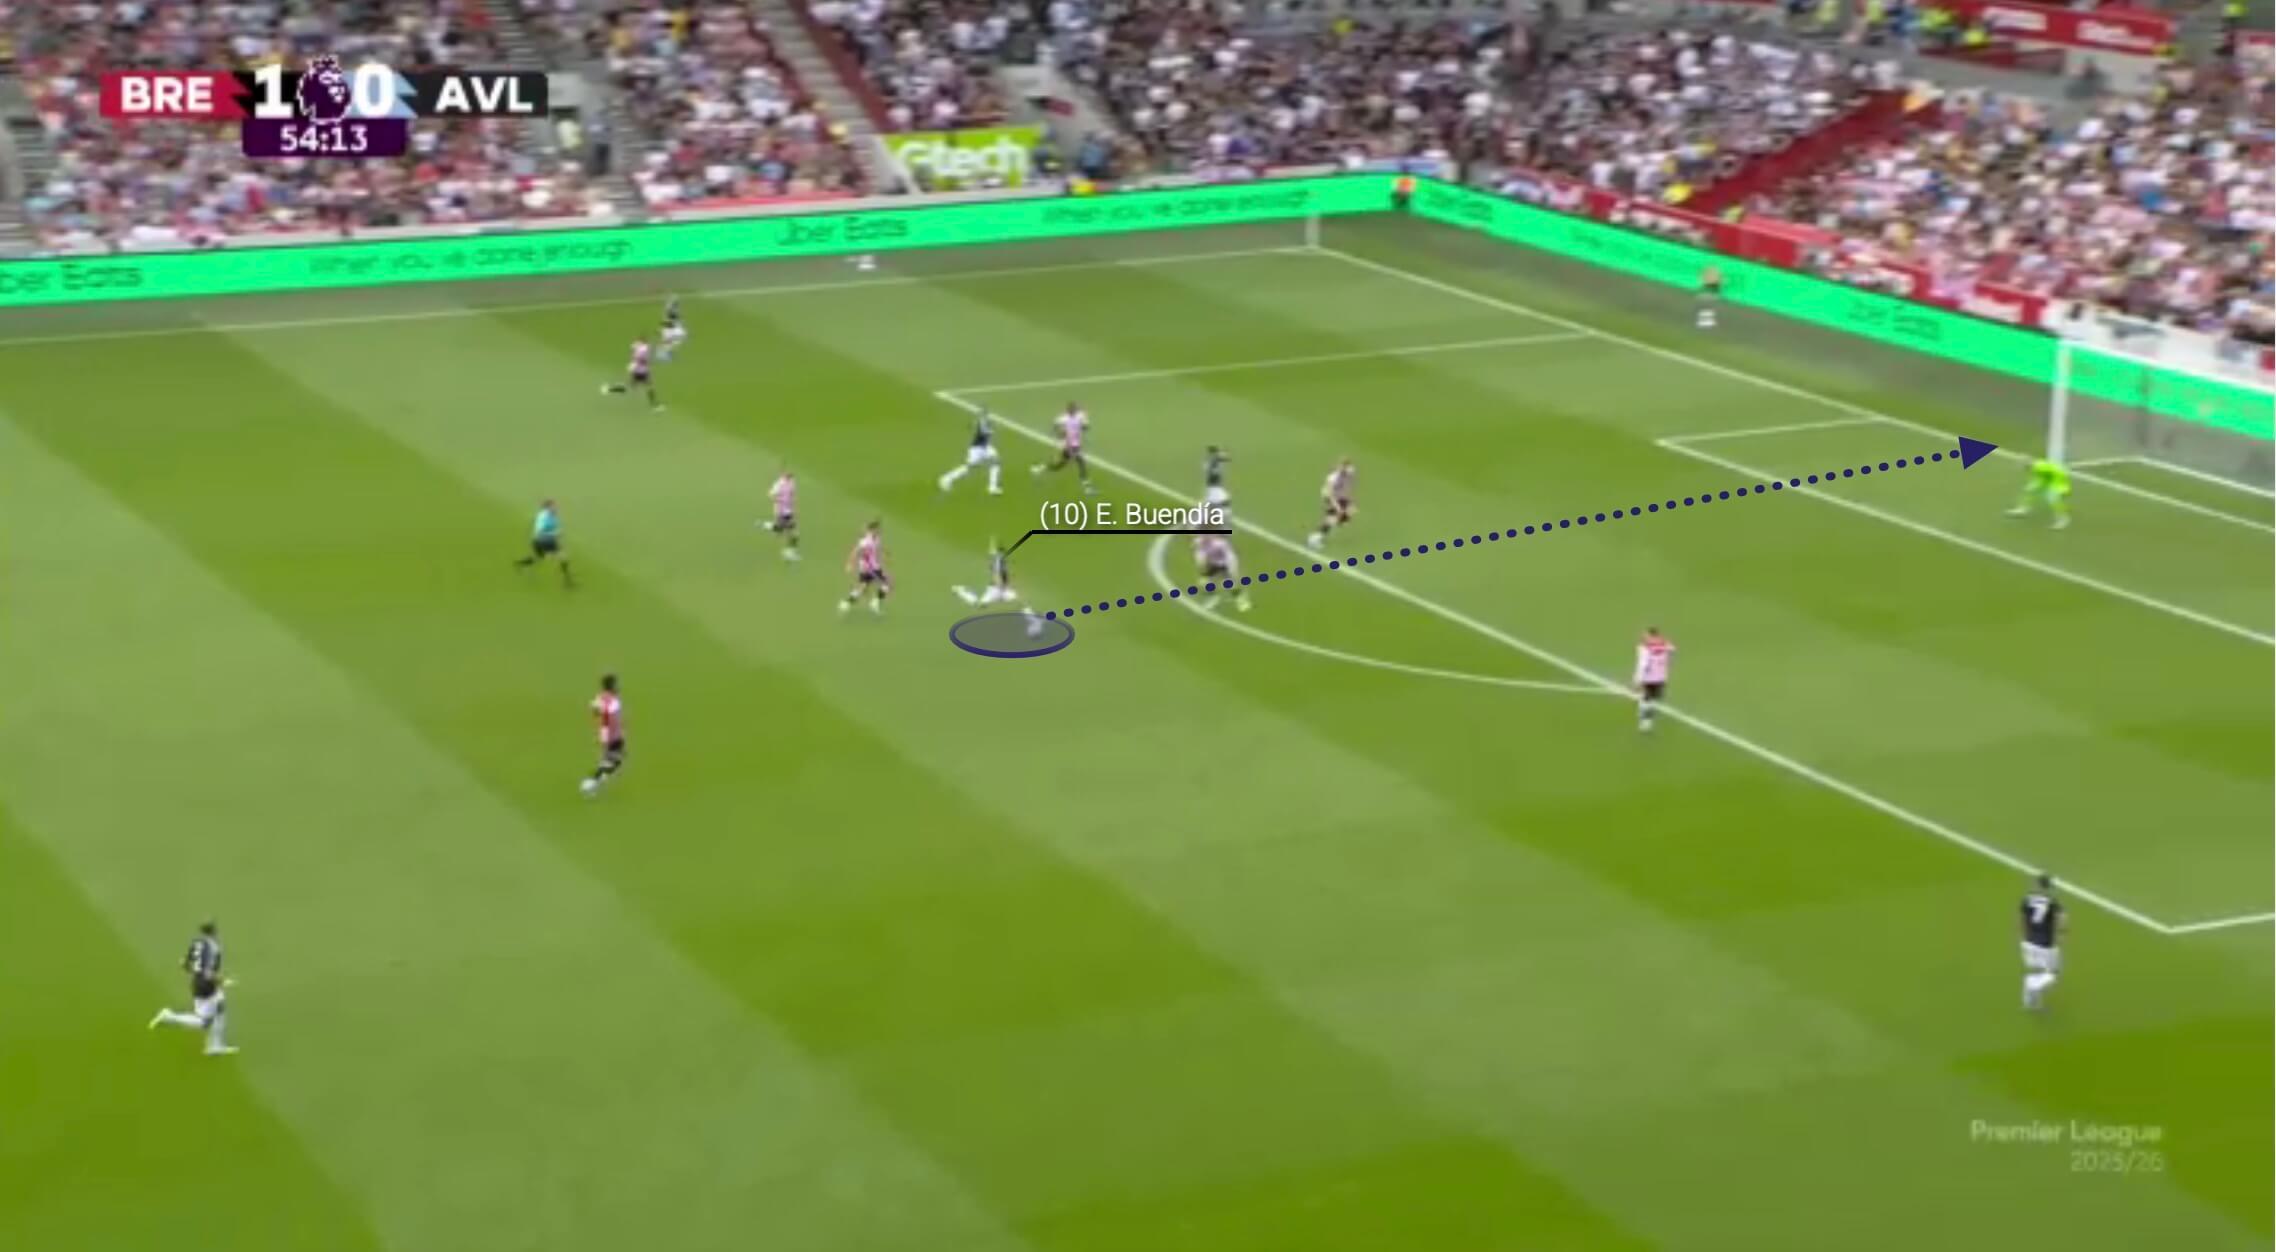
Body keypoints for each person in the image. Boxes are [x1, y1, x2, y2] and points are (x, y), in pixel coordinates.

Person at [148, 921, 237, 1056]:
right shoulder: (214, 947)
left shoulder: (197, 943)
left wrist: (197, 974)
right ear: (214, 931)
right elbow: (208, 973)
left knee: (220, 1006)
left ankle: (215, 1045)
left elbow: (183, 963)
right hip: (207, 986)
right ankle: (169, 1017)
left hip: (198, 983)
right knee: (203, 1023)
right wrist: (223, 981)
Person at [2020, 873, 2065, 1010]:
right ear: (2049, 887)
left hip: (2028, 941)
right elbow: (2062, 919)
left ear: (2037, 885)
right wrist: (2062, 934)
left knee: (2038, 971)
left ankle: (2033, 1003)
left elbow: (2021, 919)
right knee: (2053, 974)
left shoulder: (2027, 899)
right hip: (2046, 944)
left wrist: (2025, 937)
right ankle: (2031, 985)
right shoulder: (2052, 902)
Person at [514, 499, 574, 587]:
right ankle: (567, 580)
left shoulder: (553, 515)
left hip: (541, 540)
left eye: (556, 506)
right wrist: (555, 534)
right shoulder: (543, 516)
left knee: (538, 558)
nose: (556, 507)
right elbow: (540, 530)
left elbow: (555, 528)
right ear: (548, 507)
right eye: (554, 506)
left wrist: (557, 534)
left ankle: (519, 564)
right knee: (562, 557)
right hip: (542, 540)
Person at [2005, 458, 2072, 529]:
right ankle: (2023, 509)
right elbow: (2041, 478)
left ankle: (2063, 519)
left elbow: (2056, 474)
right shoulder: (2035, 467)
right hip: (2048, 478)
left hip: (2058, 480)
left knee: (2052, 498)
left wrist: (2061, 489)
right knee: (2030, 490)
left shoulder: (2040, 468)